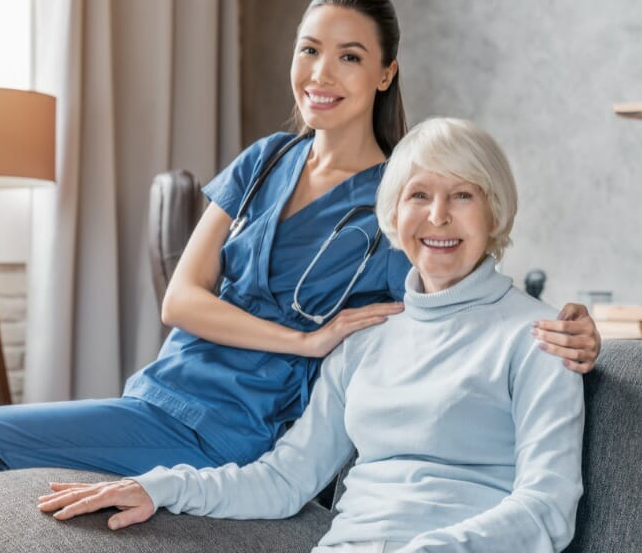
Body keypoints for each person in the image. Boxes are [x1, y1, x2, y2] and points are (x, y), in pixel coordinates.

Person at [0, 0, 598, 483]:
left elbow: (460, 302)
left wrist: (566, 332)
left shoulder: (399, 197)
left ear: (385, 74)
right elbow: (181, 299)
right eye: (310, 50)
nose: (321, 74)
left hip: (239, 429)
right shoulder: (264, 161)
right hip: (161, 397)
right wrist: (304, 341)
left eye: (349, 56)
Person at [38, 117, 585, 553]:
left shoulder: (540, 338)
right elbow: (284, 479)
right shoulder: (367, 341)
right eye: (419, 195)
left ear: (495, 211)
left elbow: (547, 507)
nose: (438, 216)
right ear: (394, 213)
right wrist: (159, 486)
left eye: (463, 195)